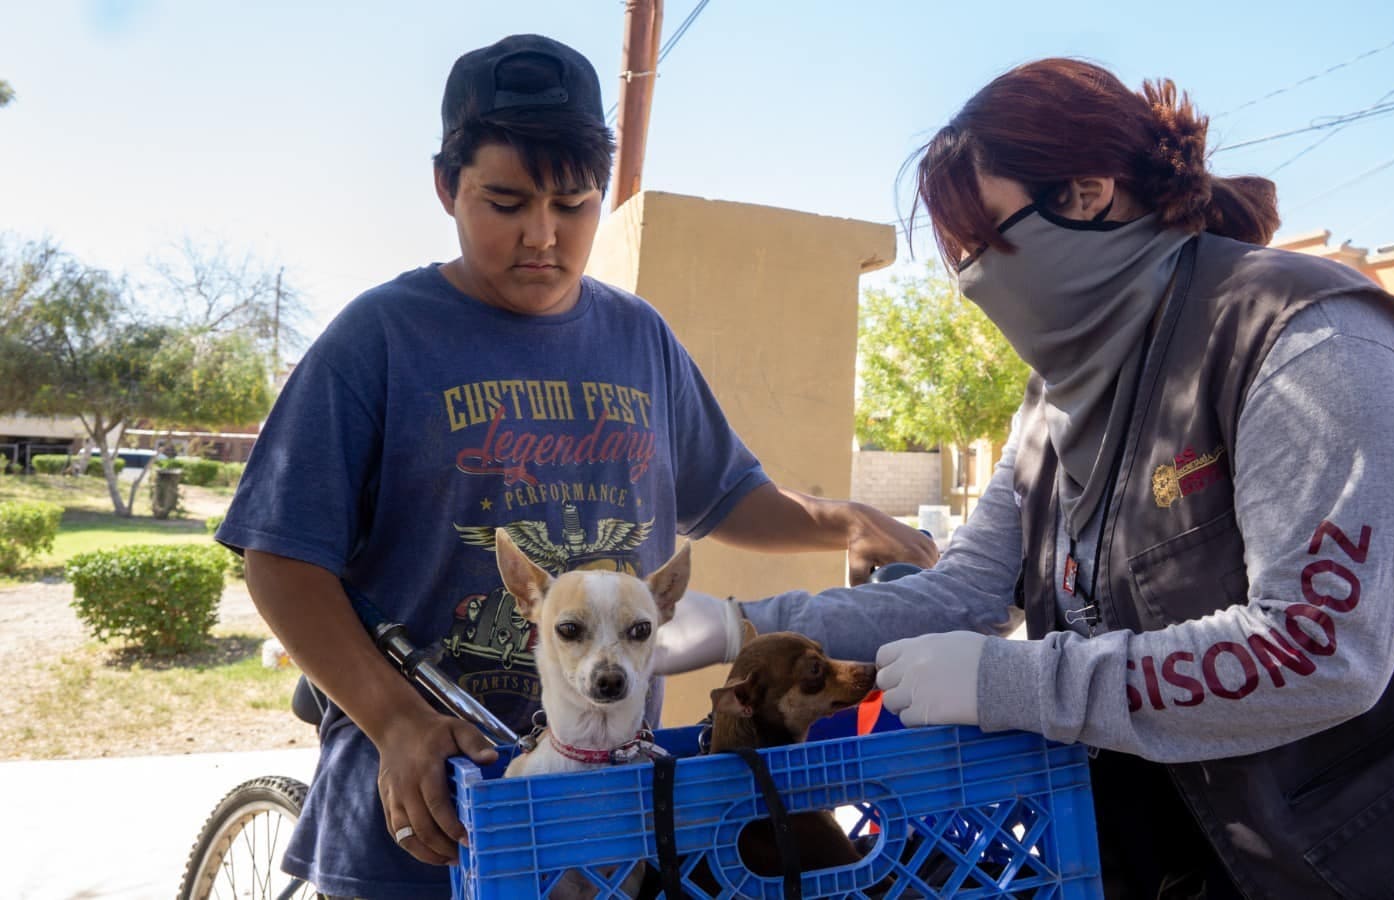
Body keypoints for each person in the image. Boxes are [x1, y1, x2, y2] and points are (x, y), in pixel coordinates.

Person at [737, 59, 1394, 898]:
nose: (968, 280)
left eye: (979, 243)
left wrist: (1013, 682)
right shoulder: (1055, 405)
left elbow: (1324, 649)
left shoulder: (1305, 336)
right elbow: (965, 590)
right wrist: (740, 626)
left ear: (1084, 193)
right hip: (1194, 851)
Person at [214, 34, 933, 899]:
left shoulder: (639, 338)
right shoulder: (379, 340)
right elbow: (280, 556)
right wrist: (395, 718)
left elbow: (728, 492)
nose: (543, 237)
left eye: (575, 204)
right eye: (506, 202)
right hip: (430, 817)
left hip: (614, 819)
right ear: (447, 185)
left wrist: (843, 521)